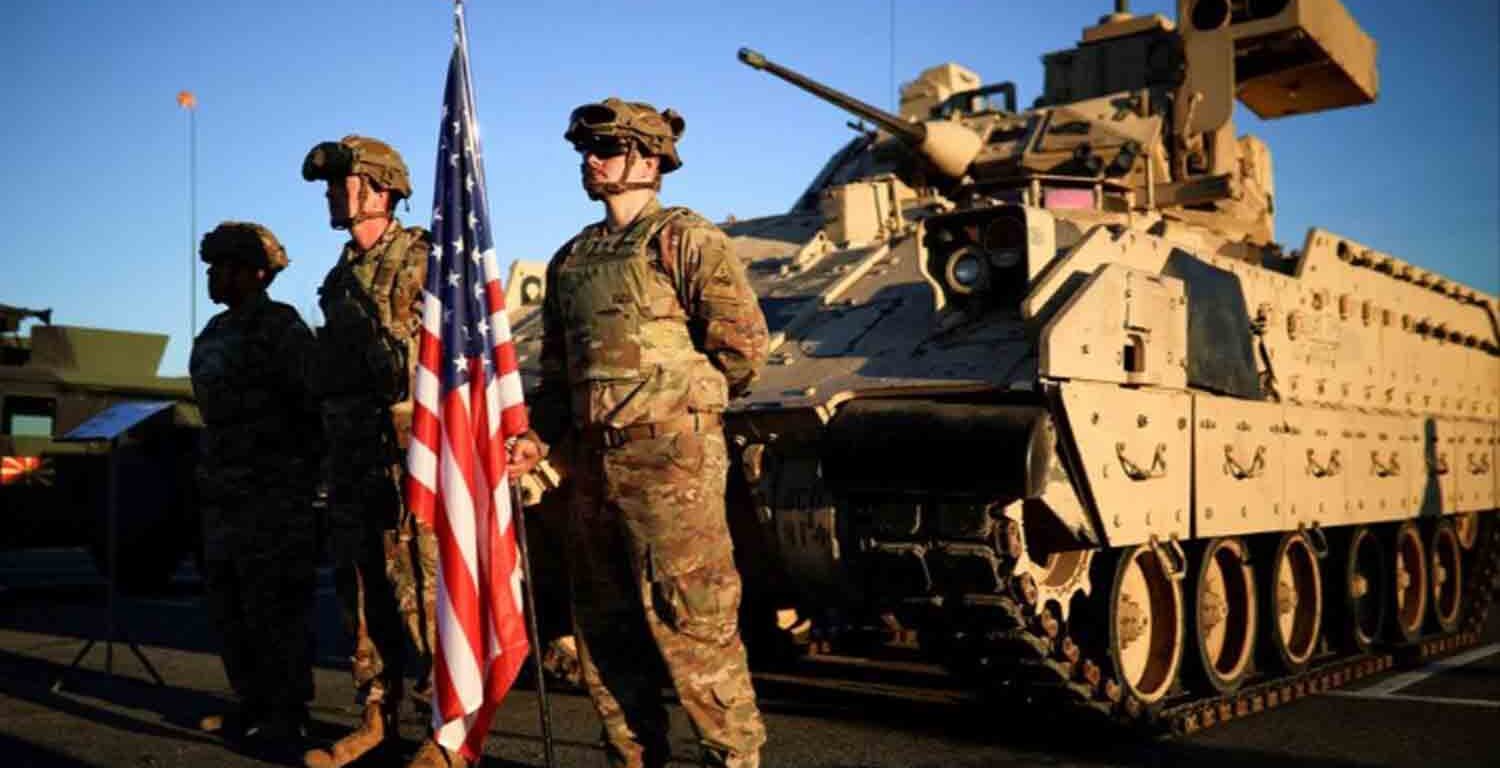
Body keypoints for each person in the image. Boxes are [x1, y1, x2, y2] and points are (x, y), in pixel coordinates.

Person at [508, 98, 770, 768]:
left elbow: (743, 349)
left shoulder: (684, 238)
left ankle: (733, 760)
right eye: (585, 150)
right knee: (605, 632)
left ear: (649, 159)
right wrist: (539, 437)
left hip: (671, 464)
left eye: (605, 148)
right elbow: (559, 378)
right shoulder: (573, 258)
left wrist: (677, 408)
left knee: (694, 625)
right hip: (594, 469)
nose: (589, 161)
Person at [299, 135, 454, 768]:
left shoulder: (426, 259)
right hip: (351, 456)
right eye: (332, 185)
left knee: (421, 591)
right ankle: (374, 716)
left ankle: (445, 733)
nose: (335, 195)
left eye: (346, 182)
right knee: (359, 592)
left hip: (410, 460)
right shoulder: (337, 278)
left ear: (383, 188)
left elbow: (461, 354)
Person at [189, 221, 319, 759]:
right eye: (212, 268)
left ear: (256, 273)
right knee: (229, 603)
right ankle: (253, 700)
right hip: (223, 492)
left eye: (225, 267)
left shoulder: (282, 329)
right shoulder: (214, 334)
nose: (214, 278)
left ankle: (289, 712)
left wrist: (299, 478)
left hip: (274, 494)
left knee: (276, 607)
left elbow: (310, 407)